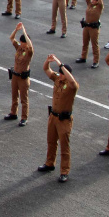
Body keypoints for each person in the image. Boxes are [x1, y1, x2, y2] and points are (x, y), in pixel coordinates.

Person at [38, 55, 78, 183]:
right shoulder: (57, 80)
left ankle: (64, 171)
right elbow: (46, 69)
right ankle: (50, 163)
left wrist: (60, 65)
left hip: (64, 120)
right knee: (51, 141)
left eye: (62, 74)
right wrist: (48, 61)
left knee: (64, 146)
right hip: (53, 116)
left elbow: (72, 81)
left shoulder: (72, 86)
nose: (59, 75)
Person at [6, 23, 33, 126]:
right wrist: (16, 30)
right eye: (21, 42)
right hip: (15, 75)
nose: (21, 44)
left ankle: (24, 117)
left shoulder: (29, 51)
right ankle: (13, 112)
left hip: (23, 77)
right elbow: (11, 38)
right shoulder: (19, 48)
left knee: (24, 98)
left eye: (23, 42)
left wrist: (24, 31)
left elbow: (30, 45)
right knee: (14, 95)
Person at [77, 0, 104, 68]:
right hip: (86, 26)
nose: (92, 0)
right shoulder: (89, 4)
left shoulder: (99, 6)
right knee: (85, 43)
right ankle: (83, 57)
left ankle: (96, 61)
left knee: (94, 45)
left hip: (94, 28)